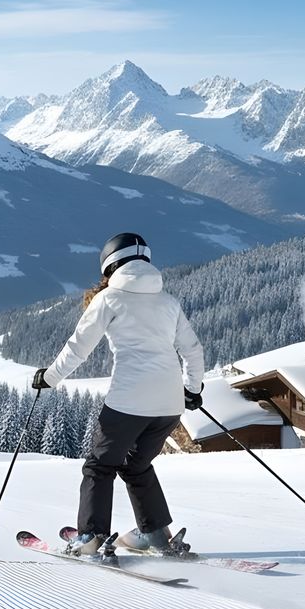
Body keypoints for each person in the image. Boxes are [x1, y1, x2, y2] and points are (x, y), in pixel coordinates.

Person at [33, 232, 205, 556]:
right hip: (169, 404)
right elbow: (193, 351)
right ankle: (155, 534)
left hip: (129, 400)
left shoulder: (109, 299)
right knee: (136, 465)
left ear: (110, 266)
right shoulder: (168, 302)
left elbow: (78, 348)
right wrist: (192, 390)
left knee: (99, 466)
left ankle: (91, 538)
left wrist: (49, 377)